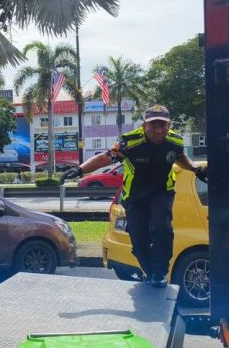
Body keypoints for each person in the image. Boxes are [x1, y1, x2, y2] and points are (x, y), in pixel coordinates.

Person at [62, 104, 207, 288]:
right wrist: (80, 169)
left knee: (162, 229)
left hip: (162, 192)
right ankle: (150, 272)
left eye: (163, 125)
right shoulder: (130, 142)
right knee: (139, 241)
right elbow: (105, 158)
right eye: (153, 125)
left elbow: (180, 157)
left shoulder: (175, 141)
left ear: (169, 125)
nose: (158, 130)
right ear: (144, 125)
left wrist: (195, 169)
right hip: (136, 197)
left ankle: (160, 273)